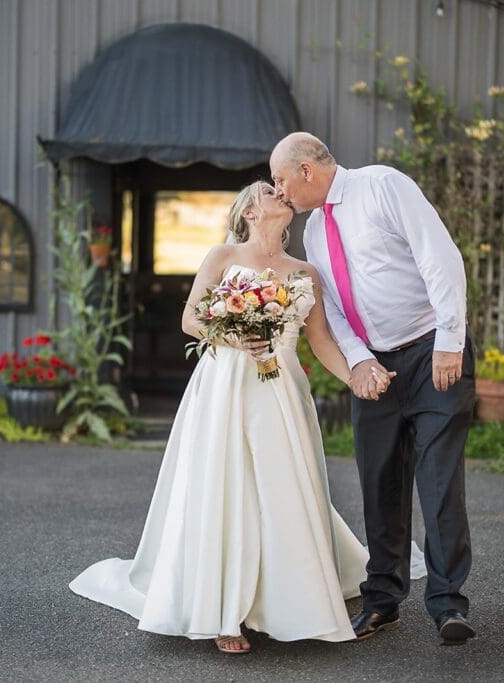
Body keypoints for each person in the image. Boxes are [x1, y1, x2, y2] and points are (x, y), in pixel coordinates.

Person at [68, 181, 424, 654]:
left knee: (281, 486)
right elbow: (191, 320)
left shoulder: (306, 272)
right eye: (269, 191)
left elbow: (320, 341)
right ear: (250, 212)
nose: (280, 193)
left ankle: (288, 600)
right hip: (226, 386)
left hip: (283, 389)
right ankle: (223, 611)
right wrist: (236, 337)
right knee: (227, 486)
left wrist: (357, 376)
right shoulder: (223, 256)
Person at [270, 132, 477, 645]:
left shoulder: (384, 186)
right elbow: (333, 308)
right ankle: (383, 602)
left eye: (280, 179)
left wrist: (449, 340)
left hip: (431, 352)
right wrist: (359, 361)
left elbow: (440, 258)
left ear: (306, 171)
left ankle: (448, 604)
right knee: (379, 484)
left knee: (438, 481)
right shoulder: (314, 232)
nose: (278, 191)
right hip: (375, 366)